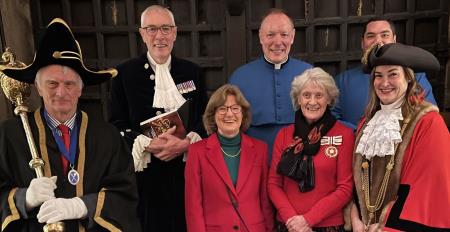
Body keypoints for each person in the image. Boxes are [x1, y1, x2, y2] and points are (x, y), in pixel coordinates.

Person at [0, 18, 139, 231]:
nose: (61, 92)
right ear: (38, 87)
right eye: (52, 84)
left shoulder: (107, 137)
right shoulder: (10, 136)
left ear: (80, 89)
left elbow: (125, 196)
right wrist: (23, 198)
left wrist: (82, 206)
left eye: (69, 84)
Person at [109, 5, 207, 232]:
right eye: (152, 29)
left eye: (165, 29)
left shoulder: (192, 72)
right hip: (144, 179)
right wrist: (146, 143)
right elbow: (116, 123)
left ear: (174, 32)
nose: (159, 36)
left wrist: (184, 145)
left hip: (186, 175)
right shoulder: (124, 74)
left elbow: (204, 119)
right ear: (142, 34)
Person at [351, 43, 450, 231]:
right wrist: (354, 215)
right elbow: (358, 176)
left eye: (393, 74)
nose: (384, 82)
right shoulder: (366, 122)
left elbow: (425, 188)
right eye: (378, 76)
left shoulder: (428, 122)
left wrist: (383, 227)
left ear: (408, 78)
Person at [268, 68, 354, 232]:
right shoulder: (284, 135)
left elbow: (345, 188)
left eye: (319, 95)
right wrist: (293, 221)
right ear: (298, 99)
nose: (312, 102)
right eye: (306, 95)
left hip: (328, 226)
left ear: (329, 99)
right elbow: (274, 184)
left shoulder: (344, 134)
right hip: (288, 225)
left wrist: (308, 220)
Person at [185, 84, 274, 232]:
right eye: (222, 109)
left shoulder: (260, 149)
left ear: (243, 114)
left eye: (235, 108)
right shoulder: (197, 152)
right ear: (213, 114)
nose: (229, 114)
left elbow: (265, 201)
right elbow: (193, 206)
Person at [229, 8, 312, 158]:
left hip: (299, 159)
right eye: (270, 35)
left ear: (292, 37)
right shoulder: (240, 77)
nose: (278, 42)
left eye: (284, 35)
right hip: (254, 160)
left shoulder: (309, 74)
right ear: (261, 37)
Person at [332, 18, 436, 129]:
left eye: (385, 35)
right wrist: (358, 134)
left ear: (394, 39)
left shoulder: (416, 77)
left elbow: (427, 118)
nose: (378, 41)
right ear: (362, 43)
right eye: (371, 36)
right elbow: (331, 118)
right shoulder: (343, 80)